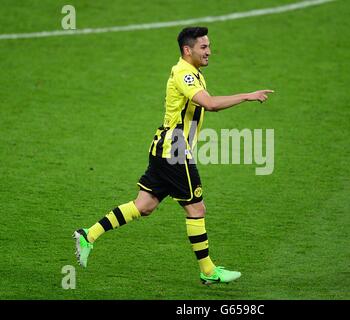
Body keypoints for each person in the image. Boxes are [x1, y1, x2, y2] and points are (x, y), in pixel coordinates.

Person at [73, 26, 273, 285]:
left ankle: (88, 235)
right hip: (175, 149)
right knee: (196, 208)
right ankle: (208, 271)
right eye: (203, 47)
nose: (209, 51)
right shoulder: (184, 74)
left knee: (144, 206)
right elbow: (210, 104)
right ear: (187, 50)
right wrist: (247, 96)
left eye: (209, 46)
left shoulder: (193, 73)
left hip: (164, 147)